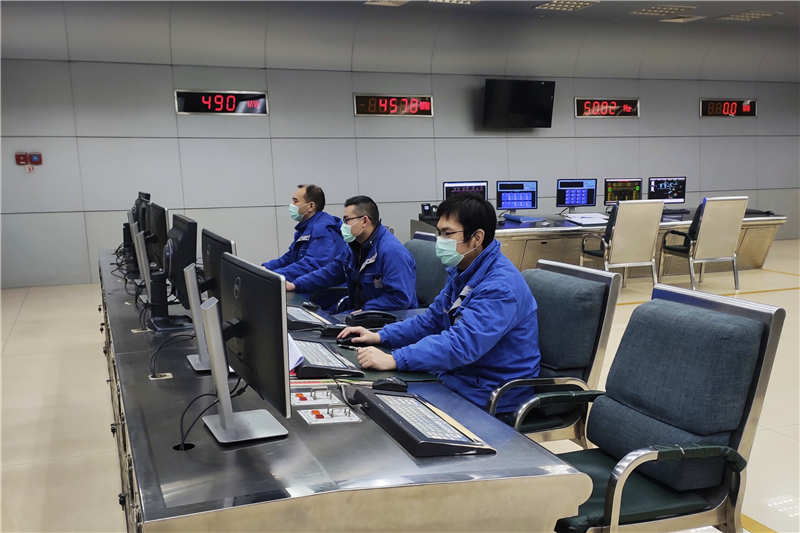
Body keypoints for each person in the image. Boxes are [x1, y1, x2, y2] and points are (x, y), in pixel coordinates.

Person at [338, 193, 540, 415]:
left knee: (390, 409)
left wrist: (395, 359)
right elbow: (431, 320)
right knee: (371, 396)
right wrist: (380, 336)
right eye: (439, 233)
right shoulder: (464, 270)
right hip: (459, 376)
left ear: (477, 238)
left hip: (490, 392)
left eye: (447, 233)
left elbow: (461, 345)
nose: (440, 240)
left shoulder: (500, 287)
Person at [287, 195, 418, 312]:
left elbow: (400, 298)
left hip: (385, 319)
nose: (343, 226)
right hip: (360, 313)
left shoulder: (392, 253)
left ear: (365, 221)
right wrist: (296, 285)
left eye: (347, 220)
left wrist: (366, 309)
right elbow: (330, 273)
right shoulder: (355, 247)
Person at [262, 184, 348, 282]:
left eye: (295, 201)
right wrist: (266, 269)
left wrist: (274, 276)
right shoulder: (306, 228)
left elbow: (312, 265)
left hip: (323, 289)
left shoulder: (322, 230)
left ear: (311, 206)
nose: (291, 205)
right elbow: (288, 258)